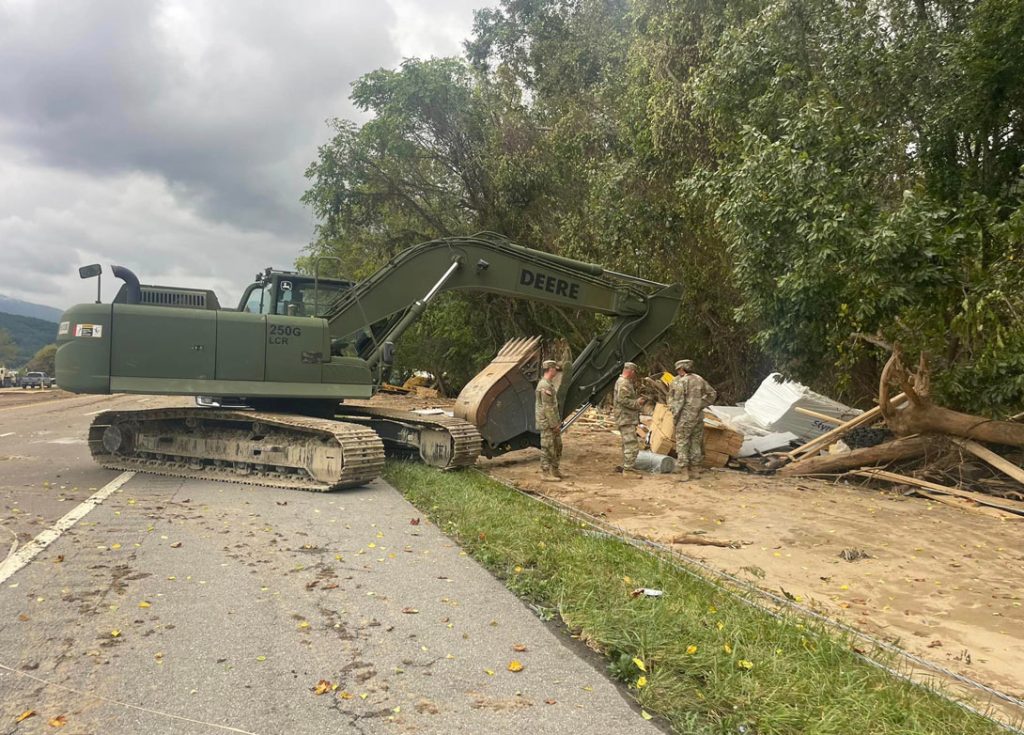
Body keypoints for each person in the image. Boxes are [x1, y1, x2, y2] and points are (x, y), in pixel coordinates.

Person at [667, 359, 717, 481]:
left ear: (682, 369)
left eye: (678, 370)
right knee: (696, 442)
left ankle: (683, 471)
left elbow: (678, 402)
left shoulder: (681, 382)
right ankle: (696, 470)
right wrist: (700, 404)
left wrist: (675, 416)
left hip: (685, 418)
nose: (678, 372)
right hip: (698, 417)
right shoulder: (699, 379)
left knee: (682, 443)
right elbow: (712, 394)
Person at [613, 362, 647, 477]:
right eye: (634, 373)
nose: (635, 375)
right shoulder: (624, 383)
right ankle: (628, 470)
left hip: (625, 417)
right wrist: (637, 403)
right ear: (631, 371)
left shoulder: (623, 382)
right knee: (631, 444)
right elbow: (623, 400)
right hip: (626, 418)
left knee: (627, 444)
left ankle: (628, 467)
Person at [535, 359, 563, 481]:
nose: (556, 371)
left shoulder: (548, 384)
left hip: (552, 422)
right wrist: (554, 424)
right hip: (547, 423)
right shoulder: (544, 385)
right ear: (550, 369)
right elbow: (547, 407)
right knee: (547, 447)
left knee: (557, 445)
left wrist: (557, 422)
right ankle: (545, 473)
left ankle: (555, 470)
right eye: (555, 369)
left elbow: (553, 406)